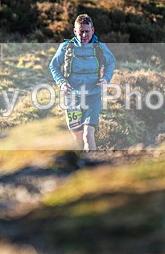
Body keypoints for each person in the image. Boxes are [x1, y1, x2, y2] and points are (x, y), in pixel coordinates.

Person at [49, 14, 115, 151]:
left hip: (93, 95)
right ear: (75, 31)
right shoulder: (66, 48)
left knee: (88, 134)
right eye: (81, 32)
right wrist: (61, 82)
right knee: (77, 137)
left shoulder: (100, 48)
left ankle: (93, 168)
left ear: (93, 30)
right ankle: (79, 167)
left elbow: (111, 62)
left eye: (87, 31)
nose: (84, 35)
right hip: (71, 97)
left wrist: (106, 79)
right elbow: (53, 66)